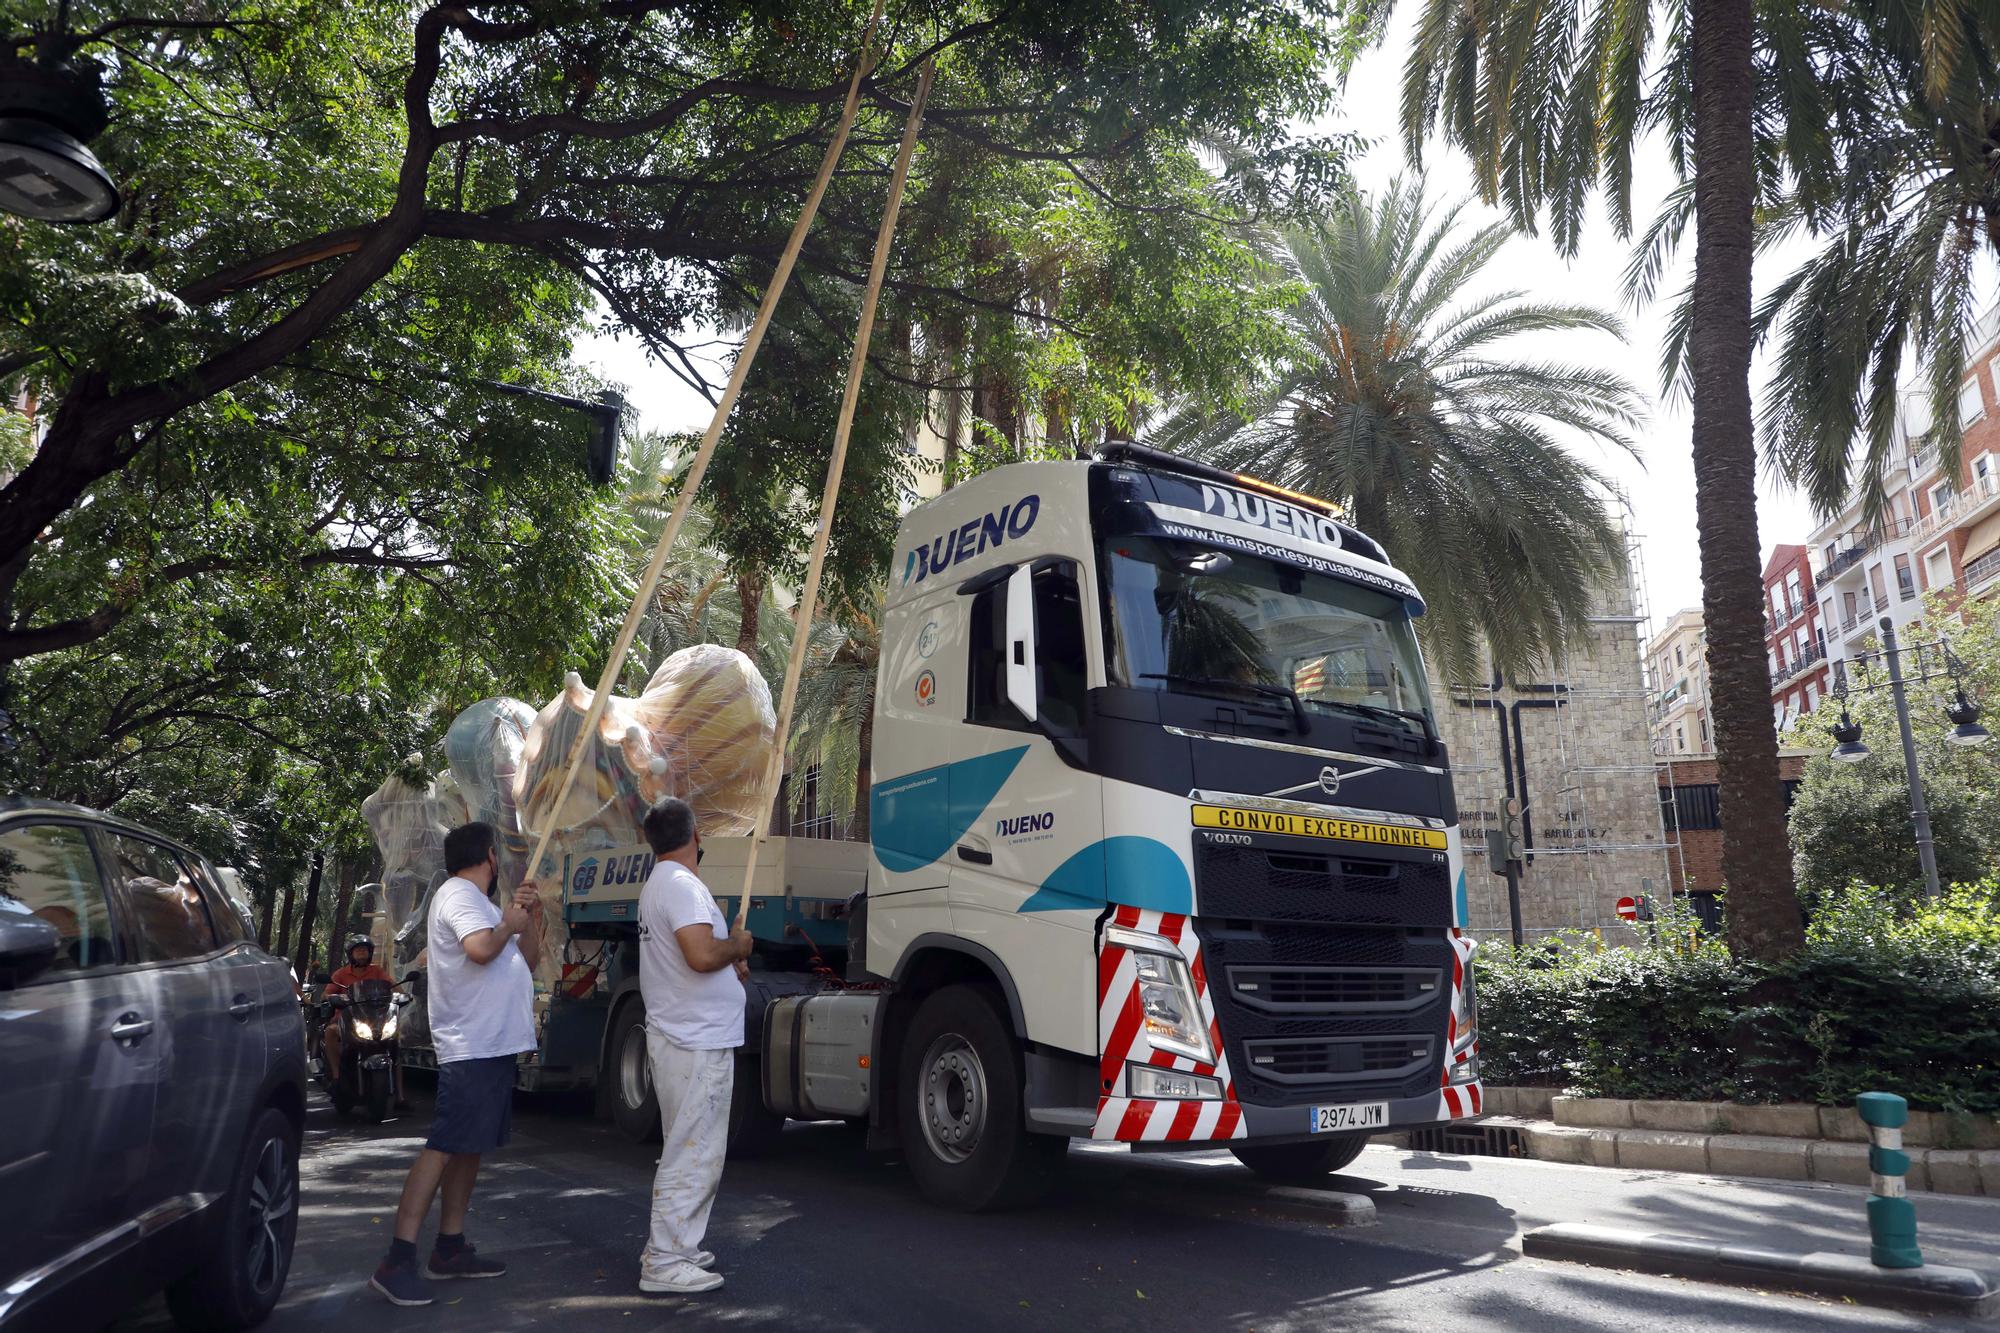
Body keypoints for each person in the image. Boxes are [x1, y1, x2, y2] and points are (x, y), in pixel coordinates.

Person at [369, 821, 542, 1307]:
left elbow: (523, 961)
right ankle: (397, 1259)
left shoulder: (482, 904)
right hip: (472, 1044)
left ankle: (449, 1246)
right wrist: (507, 923)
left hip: (492, 1044)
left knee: (469, 1145)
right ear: (489, 854)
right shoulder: (461, 896)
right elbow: (481, 950)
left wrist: (531, 916)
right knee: (446, 1144)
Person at [635, 797, 753, 1296]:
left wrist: (729, 960)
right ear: (695, 836)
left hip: (685, 1036)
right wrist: (738, 946)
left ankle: (678, 1245)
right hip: (693, 1041)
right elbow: (702, 955)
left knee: (690, 1148)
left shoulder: (663, 884)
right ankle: (665, 1260)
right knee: (693, 1152)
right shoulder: (681, 885)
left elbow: (700, 959)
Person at [322, 934, 410, 1112]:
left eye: (365, 950)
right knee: (330, 1032)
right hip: (345, 1019)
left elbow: (396, 988)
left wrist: (401, 996)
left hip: (375, 1019)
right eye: (358, 950)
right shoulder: (341, 973)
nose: (361, 953)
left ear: (370, 953)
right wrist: (335, 998)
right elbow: (326, 994)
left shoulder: (377, 971)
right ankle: (337, 1076)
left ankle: (400, 1096)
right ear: (350, 954)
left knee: (395, 1044)